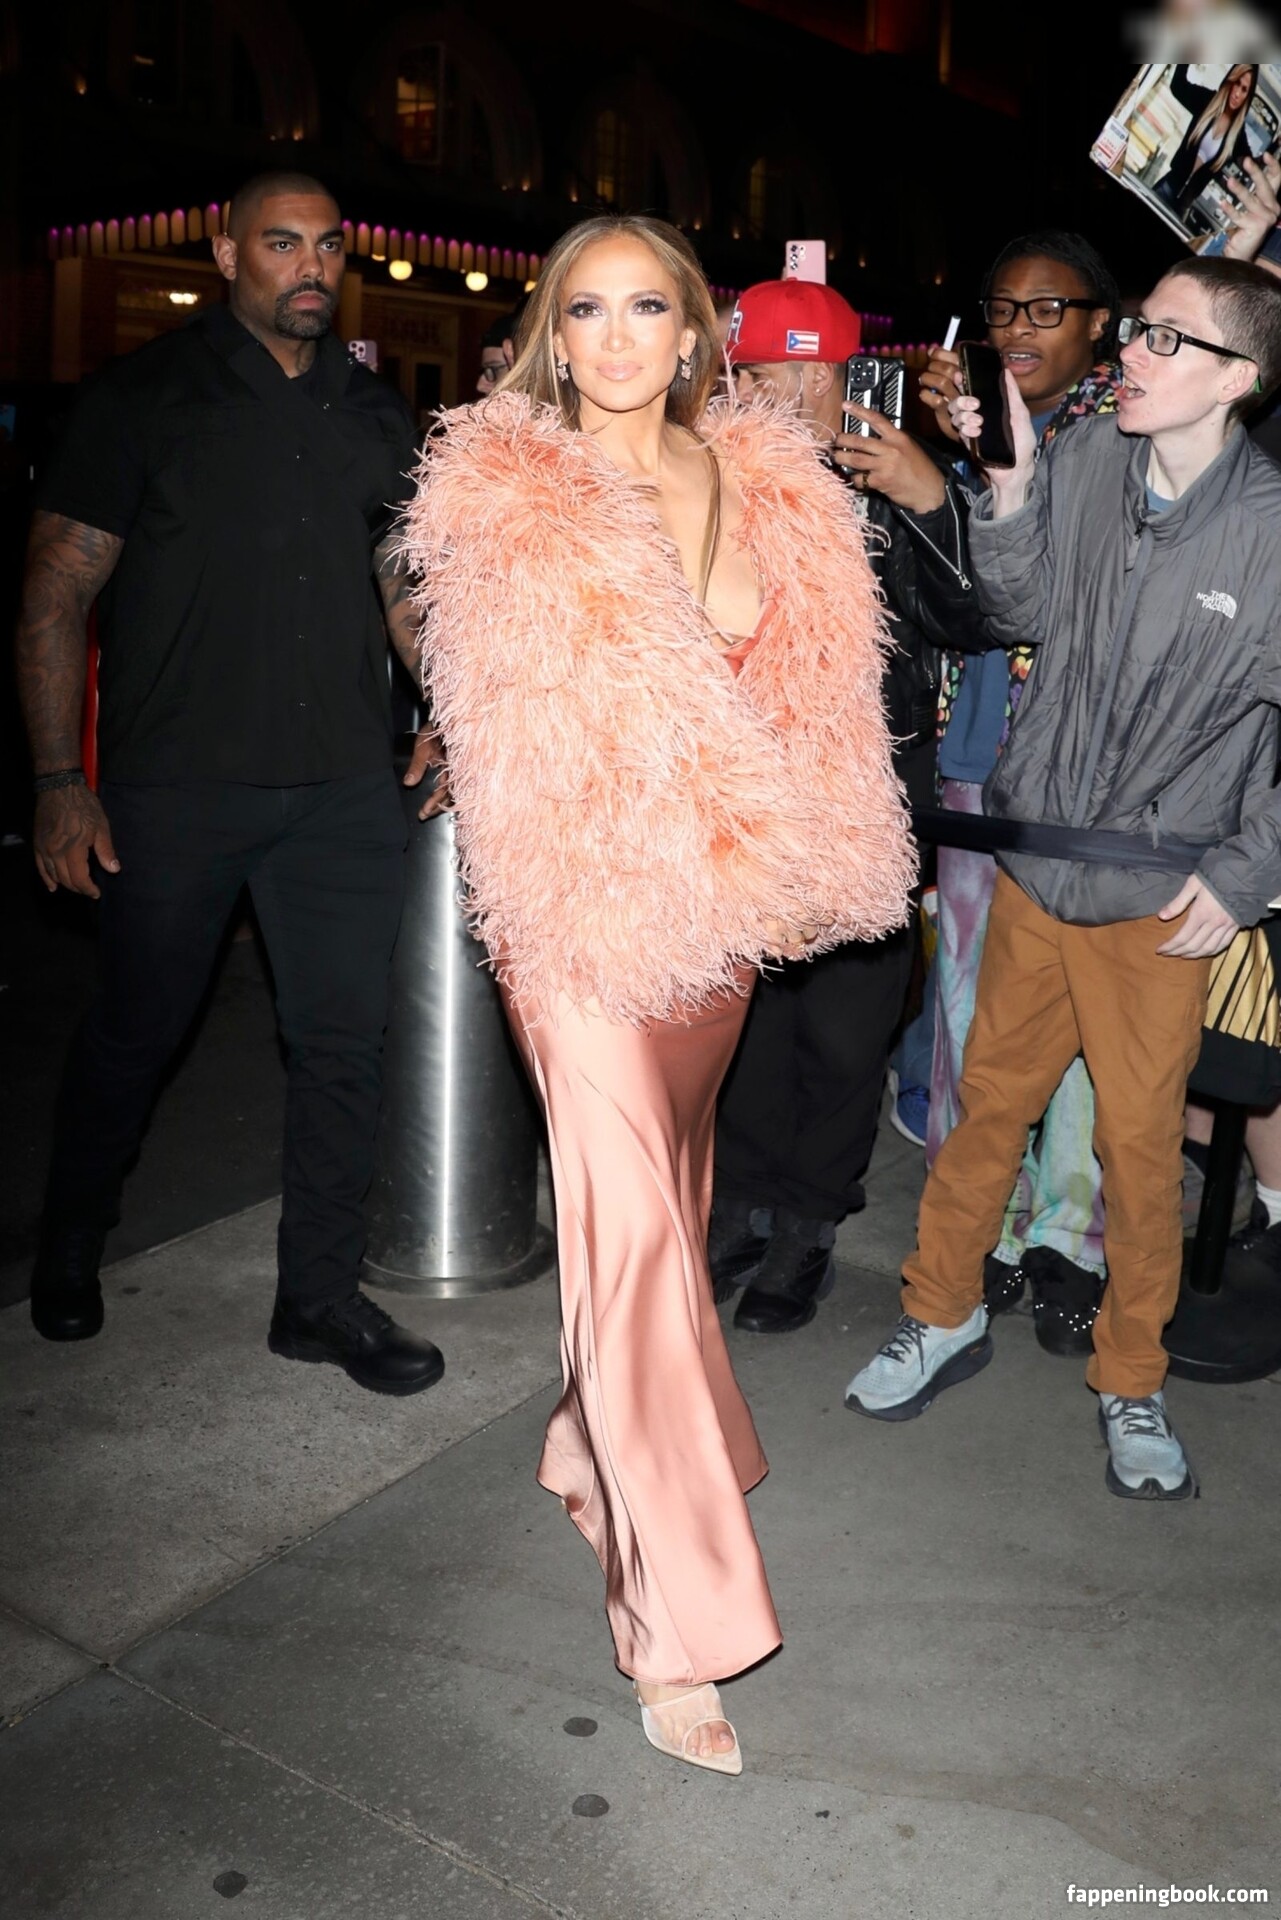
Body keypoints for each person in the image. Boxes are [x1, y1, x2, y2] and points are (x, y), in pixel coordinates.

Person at [399, 213, 912, 1769]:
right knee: (626, 1246)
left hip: (722, 917)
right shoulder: (507, 493)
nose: (615, 339)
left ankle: (591, 1440)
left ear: (695, 333)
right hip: (580, 924)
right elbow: (481, 693)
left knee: (666, 1214)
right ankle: (674, 1626)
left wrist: (800, 859)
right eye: (585, 310)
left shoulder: (773, 484)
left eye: (645, 309)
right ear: (550, 335)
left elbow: (819, 708)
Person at [847, 256, 1281, 1502]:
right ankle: (940, 1312)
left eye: (1167, 339)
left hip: (1158, 901)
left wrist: (1245, 872)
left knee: (1142, 1157)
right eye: (1138, 329)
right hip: (1037, 868)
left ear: (1239, 379)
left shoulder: (1269, 531)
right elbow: (1016, 604)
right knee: (988, 1111)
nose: (1131, 351)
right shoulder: (1088, 457)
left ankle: (1132, 1379)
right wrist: (1012, 488)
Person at [16, 171, 445, 1396]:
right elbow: (55, 592)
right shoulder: (141, 398)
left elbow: (404, 588)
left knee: (345, 1047)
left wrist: (448, 710)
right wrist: (58, 779)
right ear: (226, 255)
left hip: (344, 791)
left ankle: (317, 1299)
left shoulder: (377, 415)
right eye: (281, 244)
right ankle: (71, 1238)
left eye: (328, 246)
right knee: (136, 1031)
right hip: (177, 788)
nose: (311, 266)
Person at [708, 274, 985, 1333]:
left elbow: (972, 618)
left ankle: (809, 1221)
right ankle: (740, 1201)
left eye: (804, 378)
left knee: (845, 1018)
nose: (780, 402)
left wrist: (928, 500)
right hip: (746, 780)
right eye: (756, 379)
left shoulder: (888, 477)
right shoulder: (703, 477)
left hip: (870, 779)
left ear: (845, 379)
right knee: (747, 1009)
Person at [913, 231, 1124, 1355]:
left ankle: (1068, 1238)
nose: (1018, 329)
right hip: (974, 762)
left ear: (1100, 325)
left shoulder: (1127, 437)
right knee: (962, 1010)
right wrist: (954, 462)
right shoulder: (966, 436)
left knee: (1080, 1019)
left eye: (1047, 309)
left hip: (1084, 777)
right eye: (1002, 308)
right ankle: (978, 1224)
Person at [1156, 65, 1258, 220]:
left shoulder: (1237, 134)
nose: (1237, 93)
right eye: (1237, 83)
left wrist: (1276, 147)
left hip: (1182, 208)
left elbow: (1252, 165)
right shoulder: (1207, 100)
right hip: (1167, 188)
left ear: (1247, 97)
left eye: (1244, 89)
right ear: (1230, 80)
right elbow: (1178, 86)